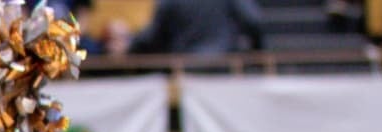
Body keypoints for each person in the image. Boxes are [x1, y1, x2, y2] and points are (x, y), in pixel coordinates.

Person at [105, 0, 263, 56]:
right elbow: (253, 21)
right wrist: (257, 50)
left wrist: (130, 45)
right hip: (225, 68)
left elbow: (152, 36)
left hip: (184, 71)